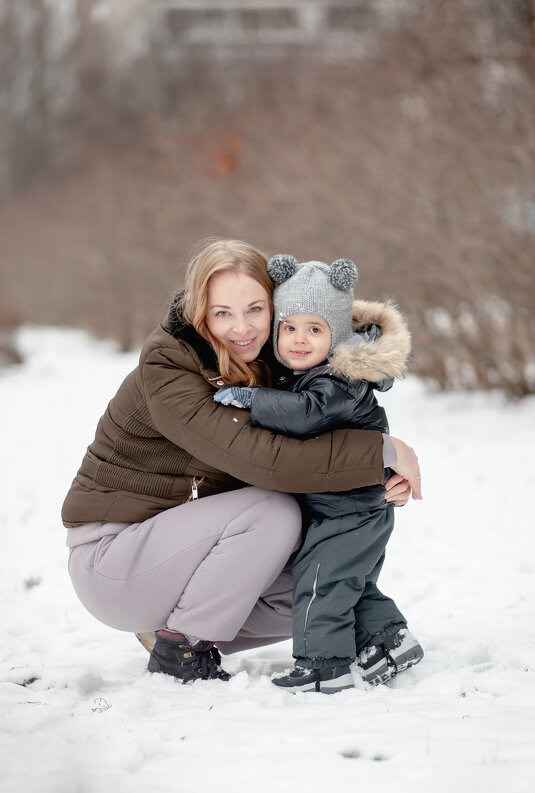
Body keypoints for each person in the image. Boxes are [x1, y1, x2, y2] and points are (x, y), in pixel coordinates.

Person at [62, 237, 421, 685]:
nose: (242, 328)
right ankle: (182, 646)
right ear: (200, 313)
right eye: (222, 313)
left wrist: (380, 480)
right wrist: (380, 453)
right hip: (116, 560)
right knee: (272, 511)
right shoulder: (170, 366)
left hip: (193, 551)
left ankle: (372, 637)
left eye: (255, 309)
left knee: (316, 579)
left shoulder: (277, 359)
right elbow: (268, 462)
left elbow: (325, 430)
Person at [214, 254, 423, 693]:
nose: (299, 340)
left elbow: (307, 416)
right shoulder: (298, 377)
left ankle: (323, 665)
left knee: (319, 585)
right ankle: (391, 640)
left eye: (315, 329)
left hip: (350, 510)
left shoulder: (339, 380)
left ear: (338, 336)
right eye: (289, 328)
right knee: (344, 583)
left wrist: (253, 401)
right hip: (343, 507)